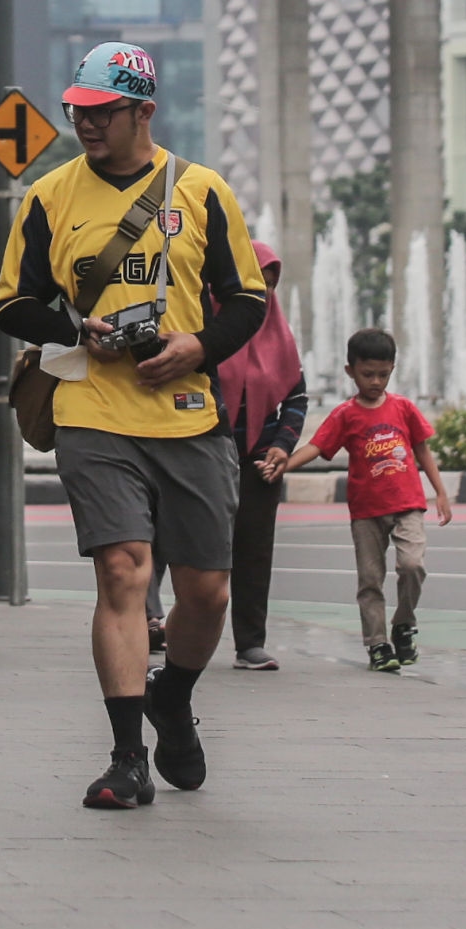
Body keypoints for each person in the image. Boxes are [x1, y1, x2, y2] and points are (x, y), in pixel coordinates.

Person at [0, 41, 267, 811]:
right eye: (77, 111)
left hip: (189, 418)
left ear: (143, 111)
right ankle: (126, 758)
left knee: (207, 593)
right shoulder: (49, 196)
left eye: (101, 112)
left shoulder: (202, 191)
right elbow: (10, 302)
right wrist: (76, 329)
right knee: (122, 571)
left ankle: (172, 696)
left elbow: (248, 299)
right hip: (93, 413)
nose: (85, 124)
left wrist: (198, 347)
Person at [145, 245, 307, 670]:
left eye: (270, 286)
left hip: (258, 463)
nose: (264, 294)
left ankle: (250, 643)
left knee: (253, 551)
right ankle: (153, 620)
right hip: (200, 455)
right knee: (172, 541)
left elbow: (295, 396)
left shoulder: (280, 337)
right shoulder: (203, 331)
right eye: (256, 284)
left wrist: (282, 446)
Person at [278, 325, 452, 671]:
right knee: (370, 580)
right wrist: (284, 464)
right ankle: (377, 645)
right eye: (367, 374)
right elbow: (317, 446)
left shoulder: (403, 408)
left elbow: (422, 450)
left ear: (392, 370)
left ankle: (403, 623)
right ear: (350, 371)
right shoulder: (346, 414)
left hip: (408, 504)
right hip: (366, 511)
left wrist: (440, 492)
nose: (375, 381)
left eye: (383, 374)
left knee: (412, 566)